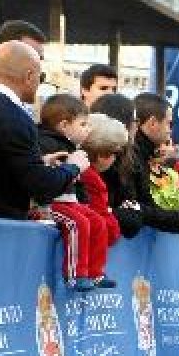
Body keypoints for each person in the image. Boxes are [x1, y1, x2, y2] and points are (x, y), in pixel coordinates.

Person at [0, 41, 85, 220]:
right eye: (40, 77)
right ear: (29, 76)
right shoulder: (15, 117)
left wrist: (37, 162)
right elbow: (40, 185)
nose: (39, 84)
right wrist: (73, 166)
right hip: (2, 225)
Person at [35, 94, 114, 291]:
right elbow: (42, 176)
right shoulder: (44, 143)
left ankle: (95, 272)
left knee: (97, 222)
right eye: (83, 124)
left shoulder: (72, 147)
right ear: (64, 125)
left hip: (70, 201)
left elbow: (79, 183)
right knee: (77, 223)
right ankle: (74, 274)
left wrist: (84, 201)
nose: (88, 129)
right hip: (51, 203)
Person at [101, 93, 179, 237]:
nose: (170, 131)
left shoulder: (139, 155)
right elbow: (135, 209)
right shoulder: (130, 156)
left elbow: (141, 207)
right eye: (169, 123)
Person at [78, 114, 127, 256]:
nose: (115, 158)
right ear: (102, 154)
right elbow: (108, 230)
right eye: (115, 152)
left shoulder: (83, 171)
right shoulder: (92, 179)